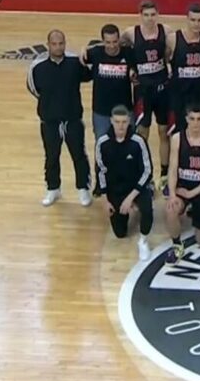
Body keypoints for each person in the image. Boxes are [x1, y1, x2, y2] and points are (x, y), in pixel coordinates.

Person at [26, 29, 93, 207]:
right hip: (49, 121)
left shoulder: (74, 62)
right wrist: (49, 104)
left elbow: (88, 76)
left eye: (61, 43)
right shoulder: (37, 66)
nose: (58, 47)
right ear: (48, 45)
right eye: (54, 44)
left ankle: (83, 188)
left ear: (65, 43)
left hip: (73, 119)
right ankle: (53, 188)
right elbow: (33, 88)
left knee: (79, 155)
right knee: (51, 156)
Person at [120, 0, 175, 191]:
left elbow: (173, 49)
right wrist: (130, 68)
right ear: (140, 16)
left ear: (158, 14)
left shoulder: (166, 31)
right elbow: (116, 48)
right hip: (142, 90)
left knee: (164, 132)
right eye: (146, 15)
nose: (150, 19)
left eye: (153, 15)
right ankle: (143, 172)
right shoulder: (130, 33)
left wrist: (169, 64)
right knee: (142, 132)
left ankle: (165, 174)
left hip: (162, 88)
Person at [164, 103, 200, 265]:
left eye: (199, 119)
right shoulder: (177, 138)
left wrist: (192, 193)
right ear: (186, 119)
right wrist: (172, 194)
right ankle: (177, 245)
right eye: (192, 119)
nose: (195, 123)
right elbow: (172, 168)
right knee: (170, 209)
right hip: (182, 186)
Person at [95, 105, 154, 261]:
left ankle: (143, 240)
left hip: (136, 187)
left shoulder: (138, 141)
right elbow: (101, 171)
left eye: (124, 122)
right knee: (120, 233)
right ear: (111, 121)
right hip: (116, 189)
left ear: (129, 122)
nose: (120, 126)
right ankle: (128, 209)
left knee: (147, 210)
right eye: (117, 122)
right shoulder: (102, 143)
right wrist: (105, 199)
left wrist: (131, 198)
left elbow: (148, 171)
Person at [83, 24, 135, 195]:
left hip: (125, 111)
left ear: (119, 40)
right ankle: (101, 183)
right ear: (102, 41)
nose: (112, 46)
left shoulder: (128, 53)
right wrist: (84, 49)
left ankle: (128, 182)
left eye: (115, 42)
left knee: (129, 146)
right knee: (101, 147)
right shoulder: (95, 53)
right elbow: (82, 56)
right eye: (108, 42)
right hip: (101, 112)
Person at [170, 3, 200, 136]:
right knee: (178, 134)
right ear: (187, 19)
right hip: (179, 96)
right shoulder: (173, 39)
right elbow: (163, 59)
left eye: (199, 20)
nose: (196, 24)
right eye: (193, 20)